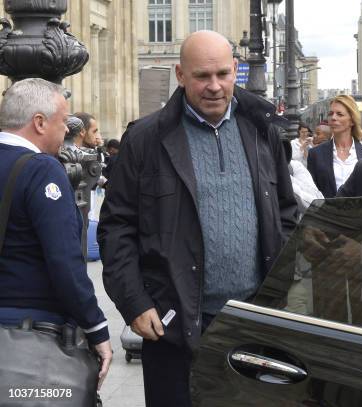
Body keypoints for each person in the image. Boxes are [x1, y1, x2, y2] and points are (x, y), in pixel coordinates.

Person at [97, 30, 297, 407]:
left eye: (222, 74)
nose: (215, 86)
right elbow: (116, 228)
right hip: (174, 325)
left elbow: (285, 213)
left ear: (236, 69)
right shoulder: (145, 139)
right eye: (202, 76)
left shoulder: (261, 130)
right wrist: (135, 302)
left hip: (252, 321)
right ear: (180, 74)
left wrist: (278, 293)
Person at [0, 78, 112, 389]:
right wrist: (97, 328)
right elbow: (64, 260)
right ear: (38, 122)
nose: (67, 131)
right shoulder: (42, 169)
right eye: (63, 122)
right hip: (26, 333)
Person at [307, 95, 362, 198]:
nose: (333, 118)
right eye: (331, 114)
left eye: (339, 114)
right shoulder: (315, 154)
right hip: (327, 213)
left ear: (352, 120)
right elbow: (312, 192)